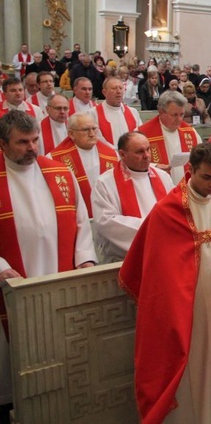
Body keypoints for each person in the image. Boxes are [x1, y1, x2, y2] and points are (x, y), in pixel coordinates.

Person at [119, 143, 211, 423]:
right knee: (186, 366)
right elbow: (155, 269)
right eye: (206, 177)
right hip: (183, 310)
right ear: (190, 170)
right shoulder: (167, 210)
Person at [0, 110, 96, 405]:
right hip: (10, 283)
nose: (31, 148)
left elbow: (81, 221)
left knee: (58, 355)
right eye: (22, 142)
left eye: (35, 140)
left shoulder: (59, 172)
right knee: (14, 364)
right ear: (2, 143)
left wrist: (85, 259)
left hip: (60, 277)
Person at [91, 131, 174, 263]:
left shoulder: (163, 176)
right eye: (139, 152)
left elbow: (175, 210)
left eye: (148, 149)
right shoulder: (105, 183)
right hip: (125, 260)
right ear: (122, 154)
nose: (147, 156)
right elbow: (106, 222)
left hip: (164, 253)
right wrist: (154, 228)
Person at [48, 113, 118, 217]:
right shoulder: (53, 159)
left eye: (94, 129)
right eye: (85, 130)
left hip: (108, 216)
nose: (92, 134)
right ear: (71, 134)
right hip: (75, 217)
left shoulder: (112, 154)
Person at [138, 91, 202, 186]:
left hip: (186, 190)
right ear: (161, 112)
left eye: (182, 114)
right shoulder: (141, 134)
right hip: (157, 189)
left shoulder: (190, 132)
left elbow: (202, 158)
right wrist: (154, 166)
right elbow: (131, 163)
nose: (179, 119)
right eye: (175, 115)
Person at [89, 77, 143, 149]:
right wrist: (117, 153)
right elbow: (98, 138)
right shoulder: (93, 113)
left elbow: (140, 134)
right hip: (107, 156)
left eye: (121, 88)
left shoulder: (133, 112)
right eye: (114, 88)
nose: (118, 91)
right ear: (104, 92)